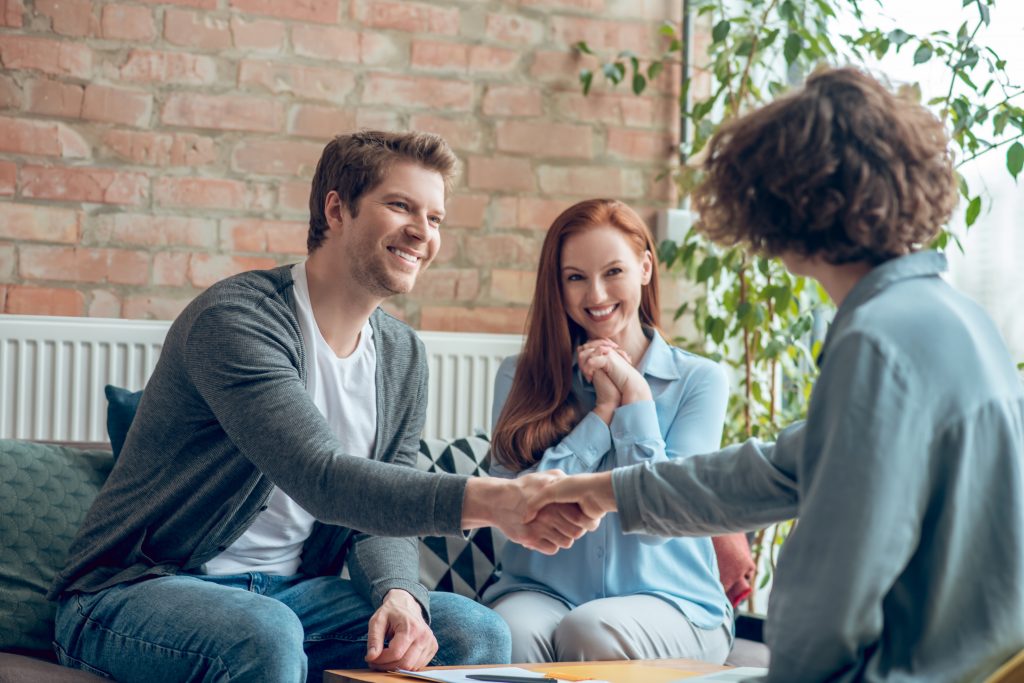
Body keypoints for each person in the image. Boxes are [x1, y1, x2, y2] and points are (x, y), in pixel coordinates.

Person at [522, 68, 1024, 682]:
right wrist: (602, 491)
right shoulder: (948, 315)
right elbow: (778, 469)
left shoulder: (876, 339)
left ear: (791, 202)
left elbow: (833, 579)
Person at [48, 131, 595, 683]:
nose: (422, 233)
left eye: (435, 218)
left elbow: (380, 509)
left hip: (289, 598)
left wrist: (399, 593)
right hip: (138, 591)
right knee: (263, 633)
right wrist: (494, 501)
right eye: (400, 205)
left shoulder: (403, 357)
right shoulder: (236, 320)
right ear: (337, 208)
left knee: (472, 632)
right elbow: (322, 477)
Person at [482, 198, 756, 663]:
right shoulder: (519, 375)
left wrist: (636, 401)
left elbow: (661, 521)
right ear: (557, 285)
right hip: (540, 590)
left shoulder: (700, 380)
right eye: (575, 277)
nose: (595, 294)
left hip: (673, 602)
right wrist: (601, 416)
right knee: (509, 632)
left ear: (645, 268)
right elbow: (517, 511)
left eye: (613, 272)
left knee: (589, 631)